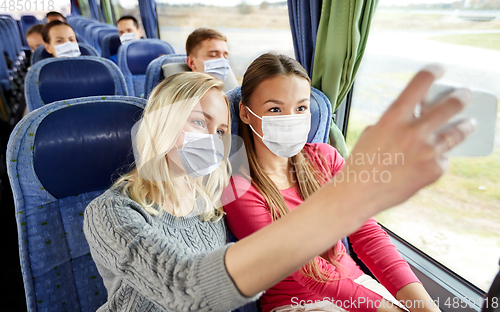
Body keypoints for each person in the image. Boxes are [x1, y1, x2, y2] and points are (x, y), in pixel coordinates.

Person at [84, 59, 475, 312]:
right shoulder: (111, 212)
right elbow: (184, 289)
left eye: (220, 130)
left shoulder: (210, 197)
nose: (213, 139)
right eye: (198, 122)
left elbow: (368, 235)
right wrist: (354, 195)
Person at [222, 53, 447, 312]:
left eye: (301, 108)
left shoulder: (325, 158)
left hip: (359, 286)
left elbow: (367, 234)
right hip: (300, 304)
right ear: (246, 114)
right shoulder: (239, 188)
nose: (291, 118)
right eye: (275, 109)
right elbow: (309, 272)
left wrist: (424, 307)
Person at [162, 28, 237, 91]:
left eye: (225, 56)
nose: (222, 61)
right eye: (213, 55)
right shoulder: (183, 101)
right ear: (192, 63)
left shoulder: (233, 97)